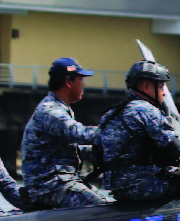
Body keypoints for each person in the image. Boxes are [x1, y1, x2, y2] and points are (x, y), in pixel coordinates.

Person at [97, 60, 180, 203]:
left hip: (117, 188)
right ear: (145, 86)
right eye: (161, 86)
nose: (164, 92)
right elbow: (175, 149)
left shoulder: (111, 113)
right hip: (142, 185)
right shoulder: (146, 110)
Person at [21, 57, 112, 210]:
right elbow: (80, 133)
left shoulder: (60, 108)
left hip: (61, 182)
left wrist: (99, 152)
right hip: (49, 186)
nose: (83, 85)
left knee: (108, 204)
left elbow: (69, 150)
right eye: (80, 80)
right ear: (69, 82)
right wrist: (119, 132)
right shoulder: (50, 110)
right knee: (100, 210)